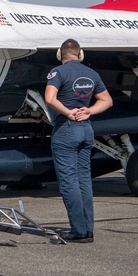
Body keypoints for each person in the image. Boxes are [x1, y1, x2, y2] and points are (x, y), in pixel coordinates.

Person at [44, 38, 112, 243]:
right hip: (86, 130)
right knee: (84, 179)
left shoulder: (58, 73)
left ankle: (78, 231)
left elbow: (49, 98)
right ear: (80, 54)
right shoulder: (92, 74)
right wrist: (89, 111)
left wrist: (68, 112)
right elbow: (107, 100)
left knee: (69, 181)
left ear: (60, 54)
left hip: (66, 130)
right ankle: (87, 229)